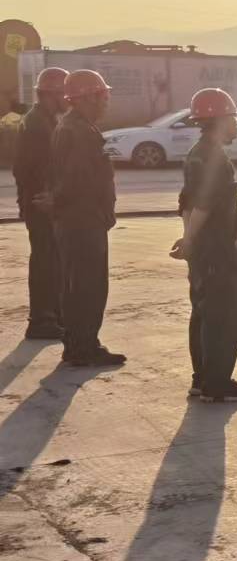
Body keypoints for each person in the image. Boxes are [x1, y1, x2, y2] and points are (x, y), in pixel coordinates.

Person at [170, 88, 237, 403]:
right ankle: (217, 384)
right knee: (223, 317)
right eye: (233, 118)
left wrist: (188, 238)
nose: (236, 124)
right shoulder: (215, 158)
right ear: (221, 119)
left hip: (203, 253)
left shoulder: (196, 153)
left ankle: (202, 379)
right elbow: (203, 204)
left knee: (203, 314)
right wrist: (190, 240)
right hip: (217, 251)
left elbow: (187, 202)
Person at [49, 69, 122, 368]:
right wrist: (101, 210)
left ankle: (78, 345)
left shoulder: (74, 127)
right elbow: (78, 179)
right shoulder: (78, 131)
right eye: (103, 96)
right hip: (83, 219)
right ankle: (83, 347)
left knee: (77, 284)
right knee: (87, 286)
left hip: (78, 218)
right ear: (88, 98)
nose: (106, 102)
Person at [13, 66, 68, 341]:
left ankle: (51, 315)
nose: (67, 100)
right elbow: (37, 167)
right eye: (64, 95)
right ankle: (42, 320)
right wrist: (48, 196)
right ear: (51, 94)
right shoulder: (37, 124)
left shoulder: (42, 119)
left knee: (50, 260)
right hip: (41, 203)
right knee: (45, 261)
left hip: (37, 200)